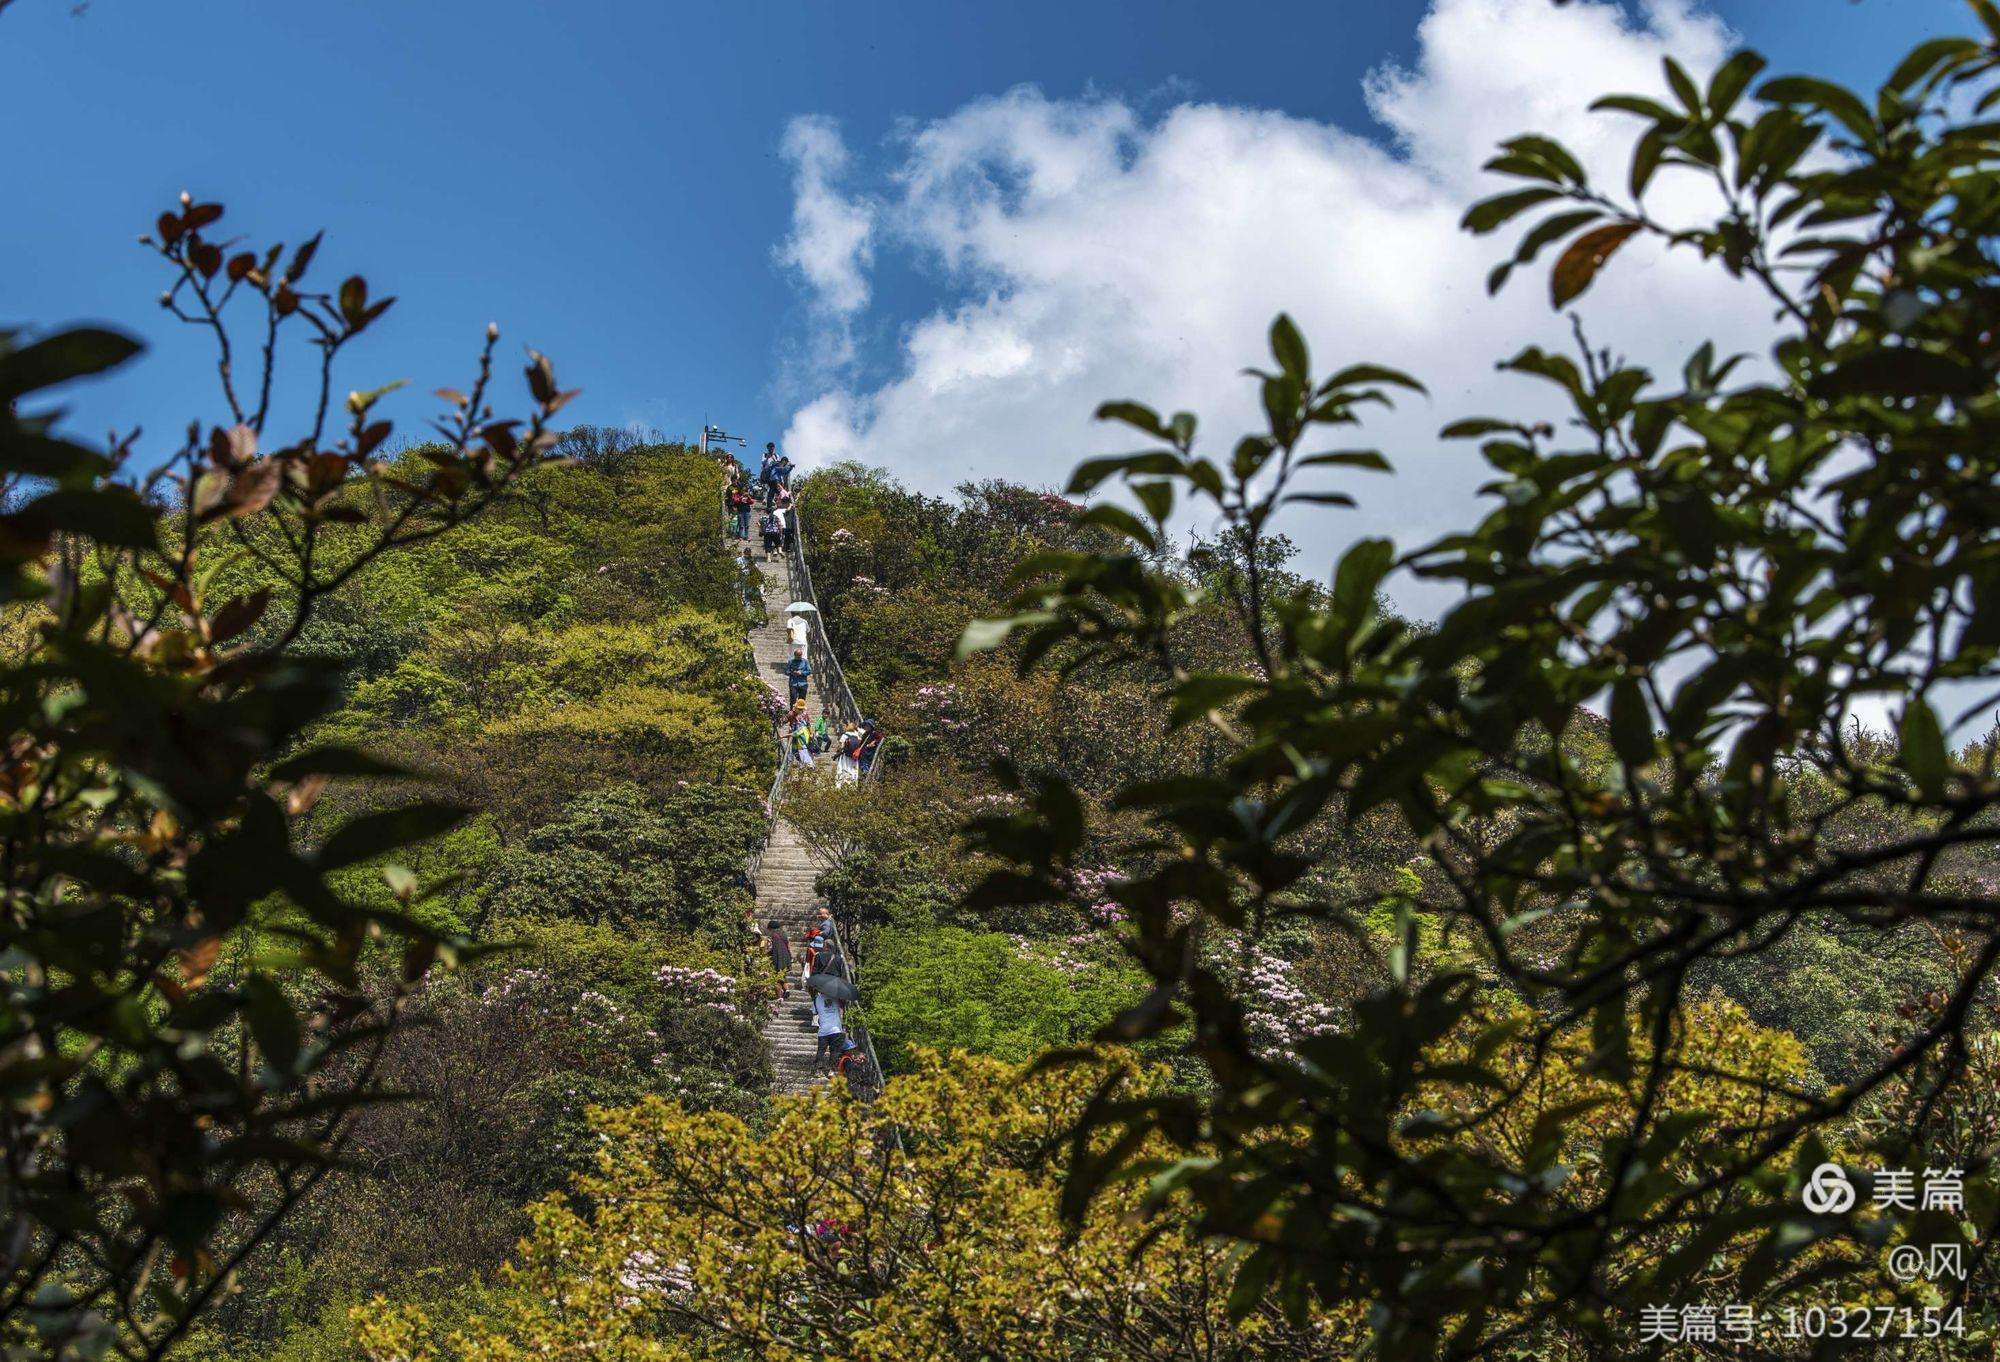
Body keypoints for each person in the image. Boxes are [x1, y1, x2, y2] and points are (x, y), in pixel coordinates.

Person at [811, 989, 845, 1073]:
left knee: (821, 1050)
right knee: (835, 1051)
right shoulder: (836, 998)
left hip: (823, 1030)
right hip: (836, 1029)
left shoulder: (816, 999)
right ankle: (832, 1071)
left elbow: (814, 1012)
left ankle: (817, 1070)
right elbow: (842, 1006)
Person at [765, 919, 793, 1000]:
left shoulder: (773, 936)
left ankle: (779, 996)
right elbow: (788, 946)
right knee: (782, 974)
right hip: (786, 957)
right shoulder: (784, 934)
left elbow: (771, 949)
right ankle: (786, 990)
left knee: (777, 976)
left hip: (777, 958)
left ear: (771, 928)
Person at [835, 721, 863, 785]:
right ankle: (853, 784)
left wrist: (838, 751)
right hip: (854, 756)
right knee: (853, 770)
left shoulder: (845, 735)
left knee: (843, 768)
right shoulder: (858, 735)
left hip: (845, 756)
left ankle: (841, 783)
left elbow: (841, 746)